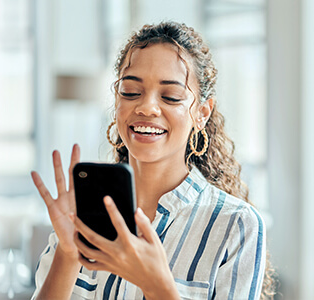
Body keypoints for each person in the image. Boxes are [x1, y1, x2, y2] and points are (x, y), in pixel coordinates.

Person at [30, 21, 274, 300]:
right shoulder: (85, 209)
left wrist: (159, 287)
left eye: (170, 96)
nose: (146, 107)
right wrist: (68, 252)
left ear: (202, 113)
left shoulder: (236, 225)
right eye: (131, 92)